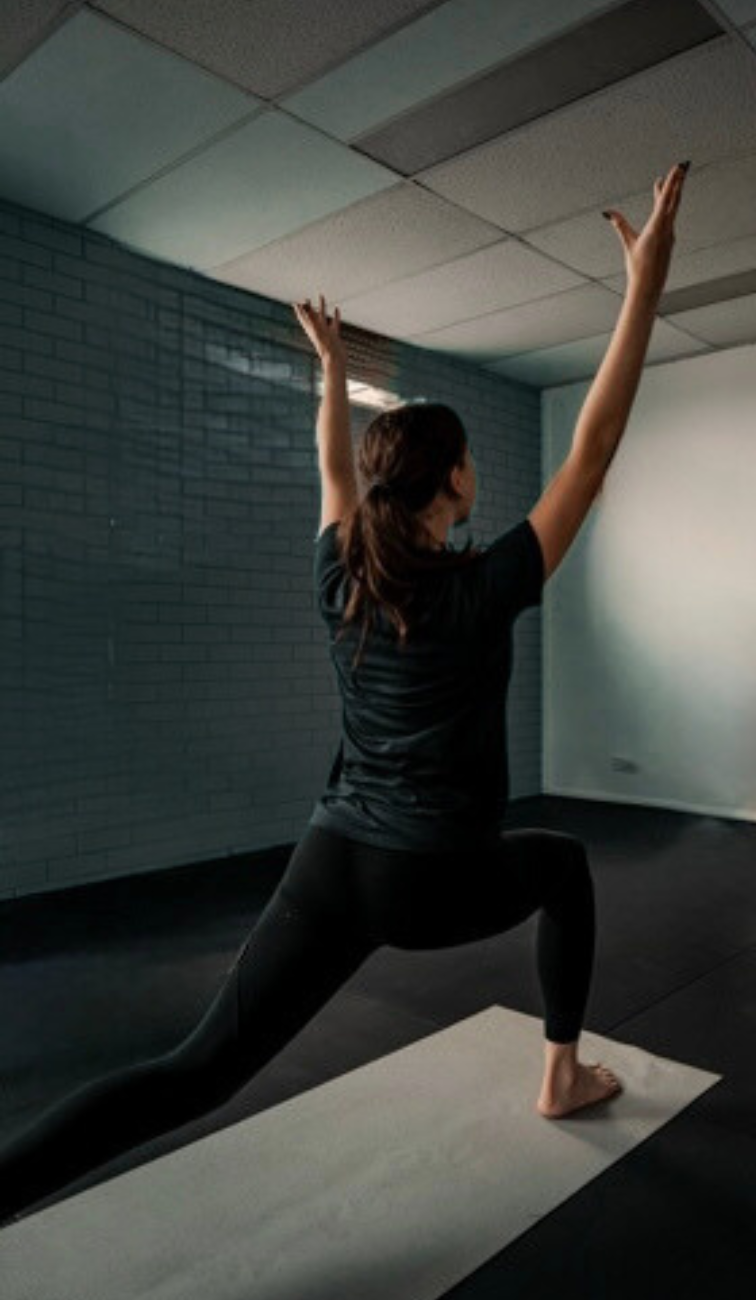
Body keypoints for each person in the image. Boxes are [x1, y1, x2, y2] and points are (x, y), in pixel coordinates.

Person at [0, 161, 687, 1227]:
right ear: (456, 481)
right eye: (467, 466)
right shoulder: (484, 587)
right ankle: (562, 1073)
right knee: (563, 864)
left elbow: (331, 474)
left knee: (194, 1071)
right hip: (432, 880)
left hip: (326, 862)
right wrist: (644, 284)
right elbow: (592, 449)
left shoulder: (340, 574)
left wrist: (330, 370)